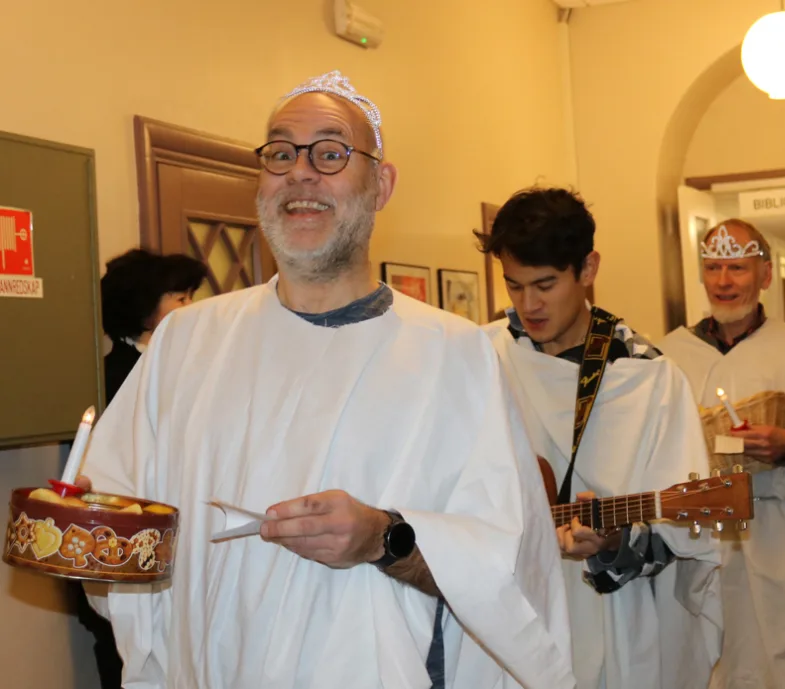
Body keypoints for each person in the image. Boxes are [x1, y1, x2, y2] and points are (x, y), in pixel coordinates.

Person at [79, 71, 575, 689]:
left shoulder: (458, 356)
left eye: (331, 152)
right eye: (280, 152)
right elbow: (114, 528)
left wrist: (383, 538)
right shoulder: (187, 343)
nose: (300, 173)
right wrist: (83, 533)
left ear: (381, 184)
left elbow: (507, 569)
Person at [478, 187, 722, 689]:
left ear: (587, 268)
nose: (528, 304)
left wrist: (612, 544)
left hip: (615, 624)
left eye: (545, 284)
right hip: (504, 620)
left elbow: (683, 540)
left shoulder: (647, 377)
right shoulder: (478, 358)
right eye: (514, 285)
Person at [660, 220, 785, 689]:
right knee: (706, 665)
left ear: (766, 275)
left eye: (737, 267)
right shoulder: (671, 354)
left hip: (776, 540)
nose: (724, 281)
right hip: (699, 541)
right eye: (713, 267)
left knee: (784, 667)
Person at [73, 248, 206, 689]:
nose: (192, 309)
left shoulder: (186, 368)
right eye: (180, 298)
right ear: (144, 306)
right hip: (123, 550)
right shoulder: (116, 376)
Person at [101, 248, 206, 403]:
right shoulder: (115, 373)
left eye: (191, 297)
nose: (191, 306)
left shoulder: (184, 357)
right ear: (145, 306)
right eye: (182, 299)